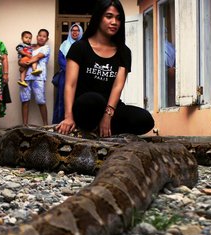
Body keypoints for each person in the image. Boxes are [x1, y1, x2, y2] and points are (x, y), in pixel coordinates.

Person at [56, 0, 154, 137]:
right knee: (94, 100)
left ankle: (102, 128)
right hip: (85, 106)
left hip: (110, 109)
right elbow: (70, 85)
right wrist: (68, 116)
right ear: (98, 17)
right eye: (109, 16)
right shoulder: (79, 47)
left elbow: (117, 87)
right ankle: (88, 126)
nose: (114, 22)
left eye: (118, 18)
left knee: (145, 119)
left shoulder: (124, 52)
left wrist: (107, 116)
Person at [53, 23, 84, 124]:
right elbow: (61, 60)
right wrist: (71, 70)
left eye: (77, 30)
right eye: (73, 30)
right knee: (63, 99)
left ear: (80, 32)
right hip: (65, 76)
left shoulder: (84, 45)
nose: (75, 32)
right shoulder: (64, 44)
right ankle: (60, 122)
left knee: (78, 98)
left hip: (80, 76)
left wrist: (78, 71)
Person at [19, 29, 51, 126]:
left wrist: (26, 63)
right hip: (26, 77)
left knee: (41, 100)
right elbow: (20, 59)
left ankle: (45, 125)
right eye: (40, 35)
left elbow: (37, 57)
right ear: (37, 37)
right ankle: (25, 125)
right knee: (25, 100)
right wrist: (21, 64)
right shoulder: (29, 47)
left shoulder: (46, 48)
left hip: (38, 77)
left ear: (47, 39)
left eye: (44, 36)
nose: (41, 37)